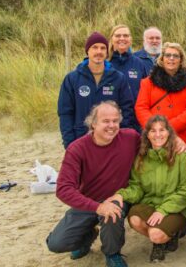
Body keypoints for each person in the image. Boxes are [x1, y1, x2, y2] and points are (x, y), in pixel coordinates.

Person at [47, 101, 140, 267]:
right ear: (93, 123)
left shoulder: (131, 138)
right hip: (89, 200)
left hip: (118, 197)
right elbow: (63, 189)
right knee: (56, 244)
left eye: (115, 121)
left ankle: (112, 254)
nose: (111, 125)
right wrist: (97, 207)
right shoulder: (77, 149)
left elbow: (155, 142)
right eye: (105, 121)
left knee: (112, 213)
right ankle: (87, 236)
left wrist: (176, 142)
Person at [114, 115, 186, 262]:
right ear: (147, 135)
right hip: (150, 203)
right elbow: (136, 187)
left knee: (156, 233)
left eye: (162, 130)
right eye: (153, 131)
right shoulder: (141, 157)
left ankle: (167, 235)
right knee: (135, 220)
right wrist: (121, 195)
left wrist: (163, 210)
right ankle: (161, 241)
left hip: (176, 207)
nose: (158, 135)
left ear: (169, 132)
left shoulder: (181, 155)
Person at [57, 31, 136, 148]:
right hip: (81, 138)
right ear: (87, 51)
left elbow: (127, 109)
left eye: (103, 48)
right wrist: (69, 143)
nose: (99, 52)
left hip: (111, 139)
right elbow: (65, 113)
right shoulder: (72, 79)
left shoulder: (118, 78)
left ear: (107, 51)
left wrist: (121, 137)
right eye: (95, 47)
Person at [135, 42, 186, 155]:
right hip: (154, 137)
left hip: (181, 135)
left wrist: (168, 128)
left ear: (181, 60)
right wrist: (157, 129)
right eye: (168, 55)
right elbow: (141, 107)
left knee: (181, 170)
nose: (171, 58)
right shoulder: (148, 82)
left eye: (176, 56)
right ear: (162, 58)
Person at [108, 25, 151, 104]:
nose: (122, 38)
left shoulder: (139, 63)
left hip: (132, 114)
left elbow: (146, 93)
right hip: (108, 114)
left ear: (130, 40)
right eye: (118, 36)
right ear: (111, 39)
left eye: (125, 35)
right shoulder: (104, 63)